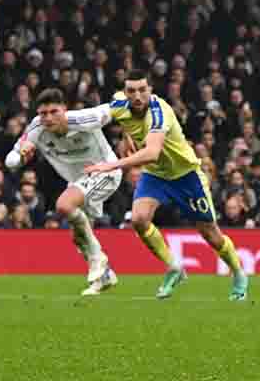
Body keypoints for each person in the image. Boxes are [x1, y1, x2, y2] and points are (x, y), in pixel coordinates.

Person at [82, 73, 250, 302]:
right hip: (156, 175)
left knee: (210, 234)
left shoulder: (160, 112)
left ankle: (239, 273)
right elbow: (119, 113)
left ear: (150, 89)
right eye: (131, 91)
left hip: (186, 176)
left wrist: (111, 165)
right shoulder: (119, 103)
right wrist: (126, 134)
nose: (137, 95)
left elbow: (151, 152)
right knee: (139, 219)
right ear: (125, 92)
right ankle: (174, 267)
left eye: (142, 89)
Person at [2, 88, 120, 295]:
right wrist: (21, 155)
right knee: (79, 237)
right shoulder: (36, 128)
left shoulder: (85, 118)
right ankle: (105, 276)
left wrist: (131, 130)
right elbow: (10, 161)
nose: (48, 118)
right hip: (79, 181)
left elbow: (117, 109)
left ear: (65, 109)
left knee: (64, 205)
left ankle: (98, 260)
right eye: (43, 113)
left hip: (106, 171)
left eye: (54, 111)